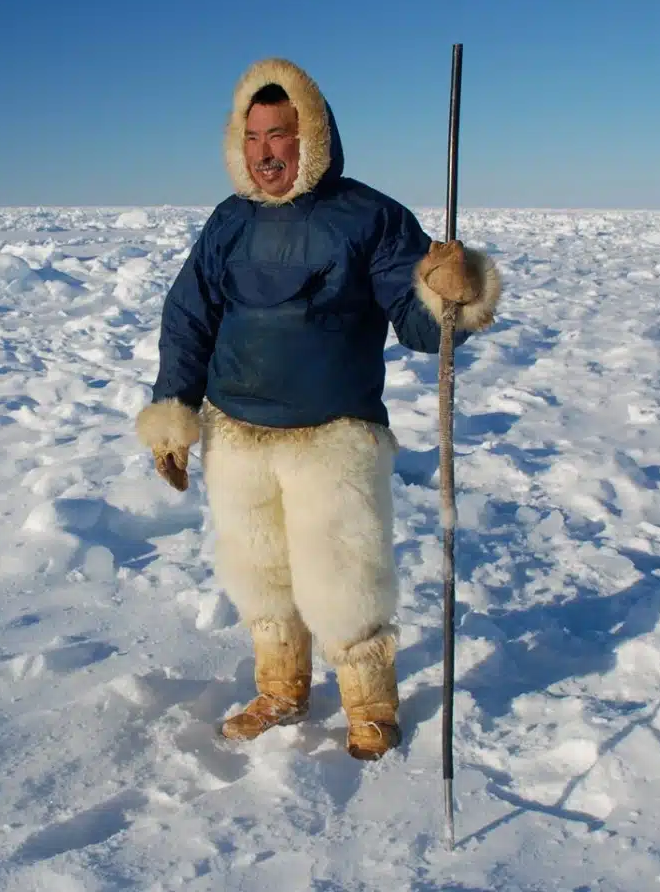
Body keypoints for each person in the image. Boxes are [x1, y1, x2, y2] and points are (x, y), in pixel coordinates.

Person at [136, 58, 501, 759]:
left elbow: (418, 323)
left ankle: (370, 706)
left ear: (313, 137)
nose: (265, 152)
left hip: (334, 436)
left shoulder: (370, 216)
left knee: (345, 579)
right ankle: (281, 689)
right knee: (261, 577)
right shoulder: (228, 222)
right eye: (252, 138)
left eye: (279, 134)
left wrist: (449, 291)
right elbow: (188, 318)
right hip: (236, 433)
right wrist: (173, 412)